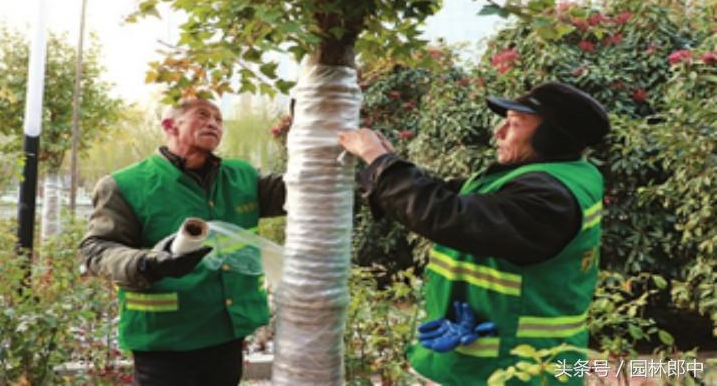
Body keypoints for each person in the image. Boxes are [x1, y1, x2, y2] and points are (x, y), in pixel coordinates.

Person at [339, 82, 610, 386]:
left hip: (522, 369)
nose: (500, 131)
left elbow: (448, 216)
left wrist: (378, 160)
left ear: (553, 139)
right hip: (493, 354)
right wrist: (388, 165)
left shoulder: (549, 196)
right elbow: (443, 195)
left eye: (515, 123)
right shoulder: (545, 177)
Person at [80, 97, 285, 386]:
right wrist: (148, 262)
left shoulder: (243, 177)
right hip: (164, 340)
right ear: (169, 125)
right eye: (202, 115)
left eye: (218, 118)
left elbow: (303, 189)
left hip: (225, 332)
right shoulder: (127, 185)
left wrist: (307, 136)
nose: (213, 122)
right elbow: (96, 250)